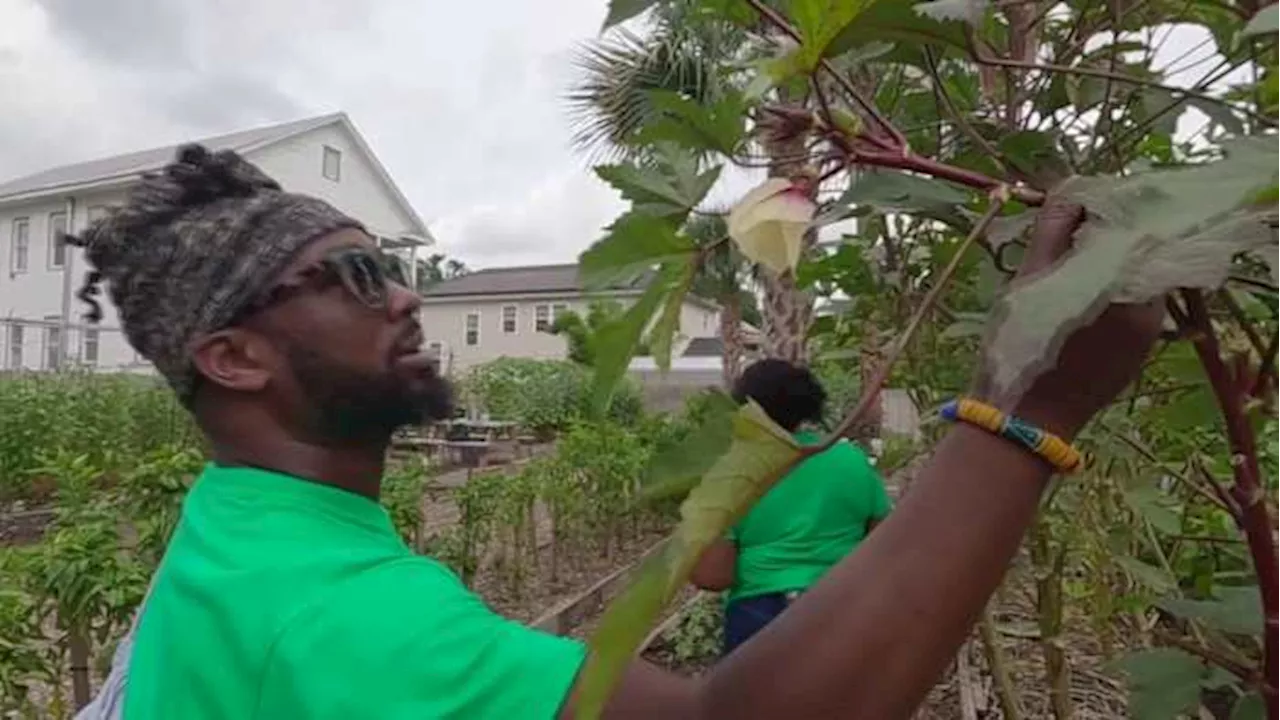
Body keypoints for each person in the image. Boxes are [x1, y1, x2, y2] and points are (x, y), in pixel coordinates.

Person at [75, 145, 1162, 720]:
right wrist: (1026, 413)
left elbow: (713, 578)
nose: (404, 300)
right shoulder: (339, 623)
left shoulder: (235, 532)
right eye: (358, 279)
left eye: (398, 271)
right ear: (233, 358)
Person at [690, 359, 891, 655]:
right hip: (843, 607)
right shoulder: (850, 461)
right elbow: (883, 544)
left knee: (757, 700)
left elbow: (713, 576)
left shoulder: (733, 475)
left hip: (759, 617)